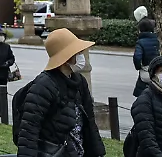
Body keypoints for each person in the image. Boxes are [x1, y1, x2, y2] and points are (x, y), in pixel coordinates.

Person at [16, 28, 105, 157]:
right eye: (78, 52)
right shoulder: (43, 85)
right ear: (66, 57)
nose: (82, 56)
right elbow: (29, 129)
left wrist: (98, 152)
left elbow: (90, 121)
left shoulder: (80, 82)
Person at [134, 17, 160, 97]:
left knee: (142, 93)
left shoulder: (140, 42)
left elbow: (137, 57)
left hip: (146, 71)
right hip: (159, 71)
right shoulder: (158, 40)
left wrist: (139, 67)